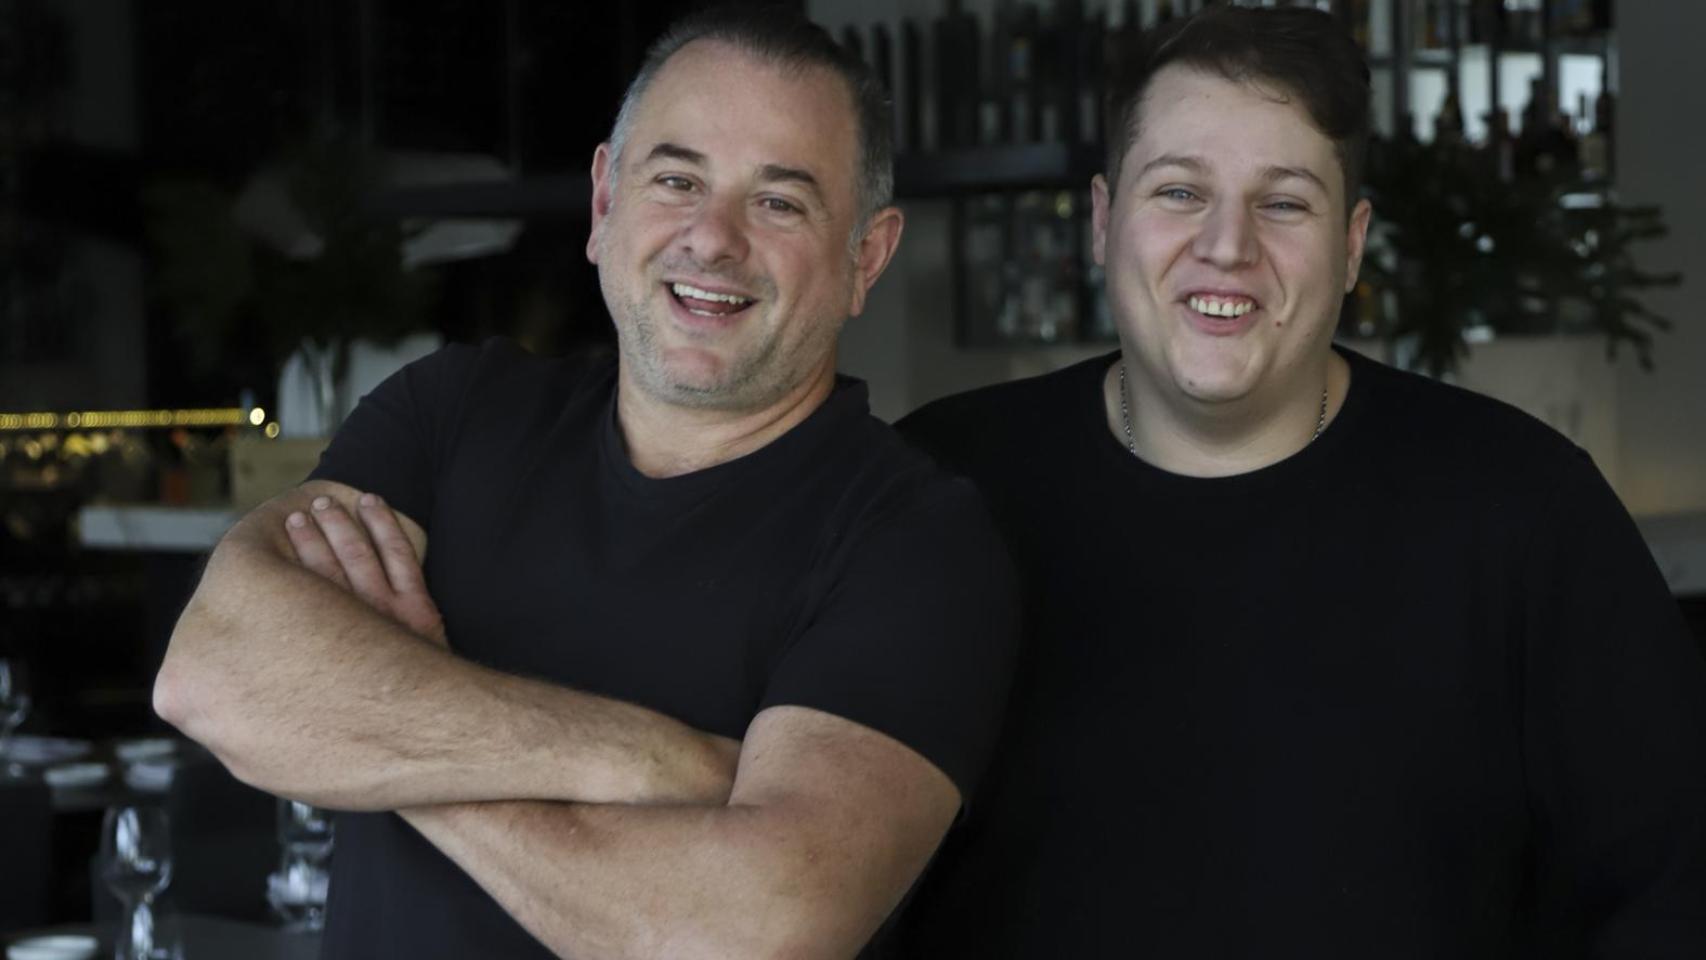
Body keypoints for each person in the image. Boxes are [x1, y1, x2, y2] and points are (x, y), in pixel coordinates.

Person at [153, 8, 1017, 959]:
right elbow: (215, 674)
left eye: (779, 202)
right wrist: (651, 761)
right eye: (676, 179)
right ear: (606, 202)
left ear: (867, 256)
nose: (712, 238)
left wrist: (381, 731)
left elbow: (757, 931)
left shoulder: (918, 544)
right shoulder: (453, 413)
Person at [893, 6, 1706, 957]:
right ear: (1104, 221)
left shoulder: (1525, 508)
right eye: (1180, 193)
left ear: (1352, 244)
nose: (1227, 246)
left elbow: (1676, 889)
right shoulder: (933, 489)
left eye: (1284, 202)